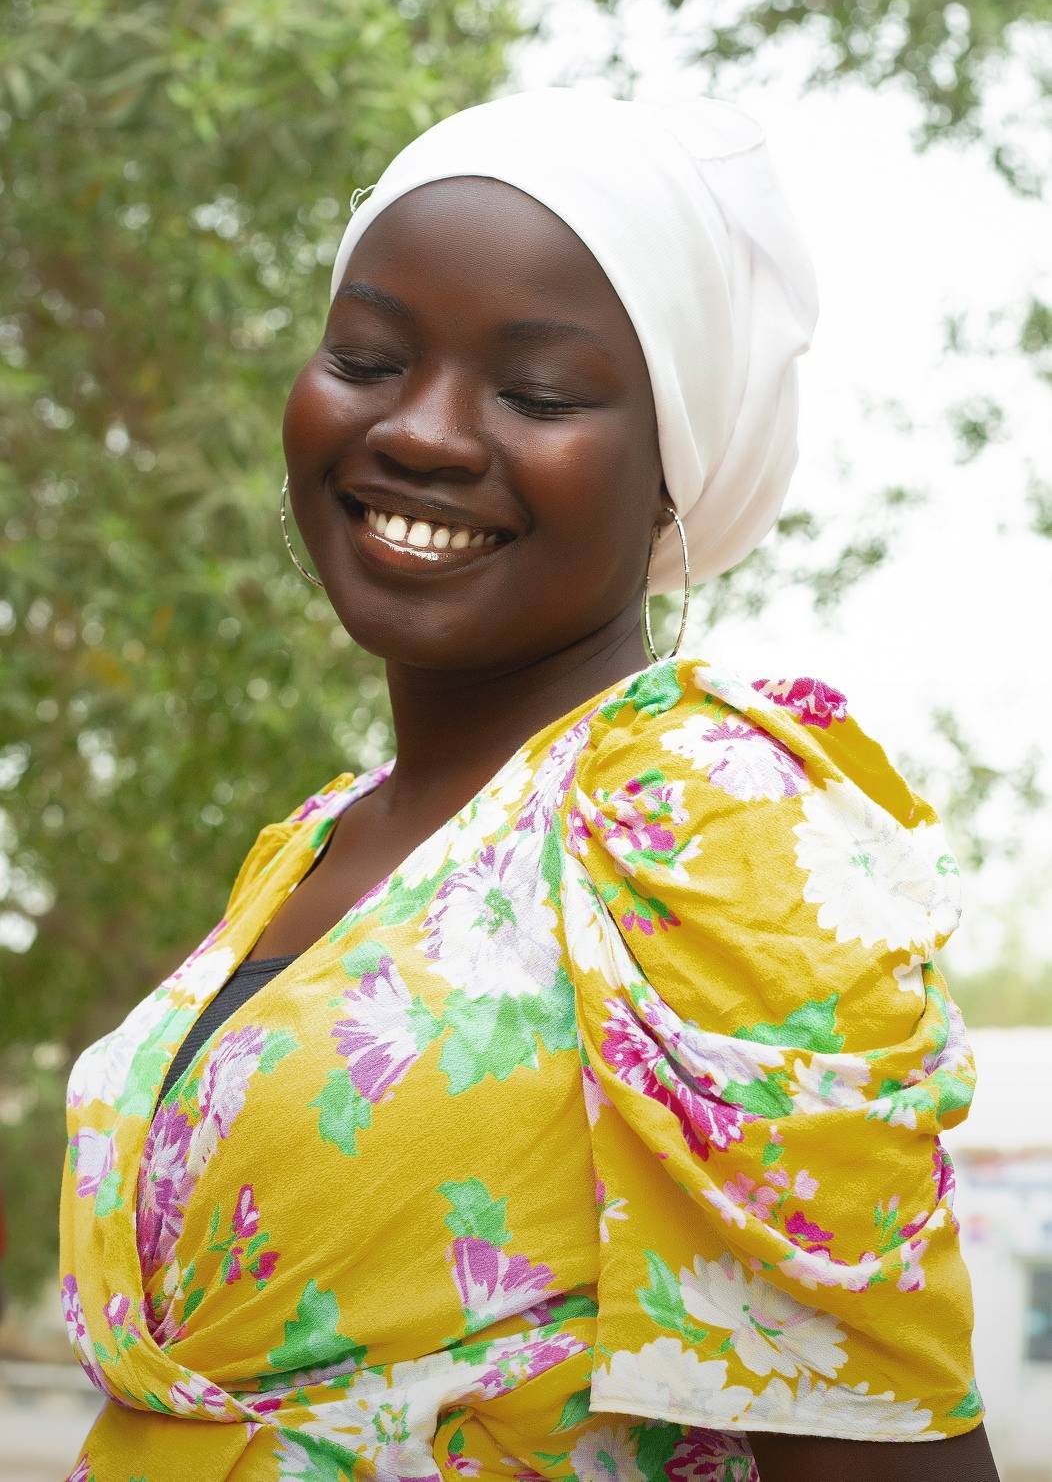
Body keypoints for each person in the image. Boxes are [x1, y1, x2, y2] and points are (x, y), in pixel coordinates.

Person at [58, 89, 997, 1481]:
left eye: (538, 393)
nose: (423, 432)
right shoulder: (309, 845)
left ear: (671, 475)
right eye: (368, 358)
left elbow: (872, 1442)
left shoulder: (698, 821)